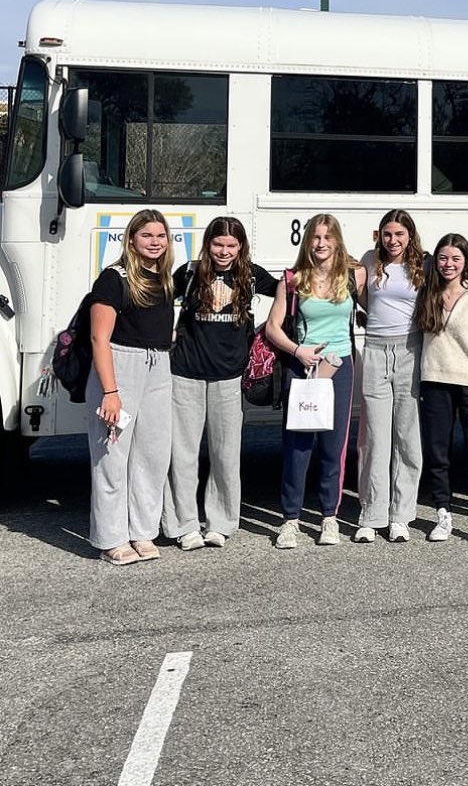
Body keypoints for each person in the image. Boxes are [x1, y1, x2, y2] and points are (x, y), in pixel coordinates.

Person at [163, 217, 278, 550]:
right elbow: (157, 302)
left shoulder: (252, 275)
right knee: (182, 454)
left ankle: (221, 523)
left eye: (231, 245)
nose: (224, 251)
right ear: (208, 244)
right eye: (218, 244)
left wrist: (270, 332)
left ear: (241, 247)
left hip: (230, 376)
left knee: (226, 455)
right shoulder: (189, 272)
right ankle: (183, 525)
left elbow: (289, 290)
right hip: (185, 373)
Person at [266, 214, 365, 548]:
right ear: (307, 241)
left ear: (337, 241)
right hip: (303, 366)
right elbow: (273, 328)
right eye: (315, 237)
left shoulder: (353, 277)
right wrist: (299, 351)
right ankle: (290, 520)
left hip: (339, 366)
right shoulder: (293, 280)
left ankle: (329, 517)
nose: (321, 243)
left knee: (334, 446)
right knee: (298, 446)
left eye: (327, 237)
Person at [87, 209, 175, 565]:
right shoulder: (114, 278)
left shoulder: (164, 278)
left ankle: (142, 531)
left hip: (159, 365)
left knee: (152, 455)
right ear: (132, 239)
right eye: (147, 235)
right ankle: (111, 538)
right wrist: (110, 392)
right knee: (112, 456)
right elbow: (99, 338)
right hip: (121, 366)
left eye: (160, 236)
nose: (155, 242)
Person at [415, 233, 468, 549]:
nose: (448, 264)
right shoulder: (428, 292)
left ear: (466, 261)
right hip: (435, 383)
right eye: (443, 258)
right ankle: (443, 514)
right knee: (438, 454)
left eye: (455, 258)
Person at [355, 209, 427, 543]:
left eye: (399, 234)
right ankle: (372, 514)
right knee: (375, 437)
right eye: (387, 234)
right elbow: (361, 296)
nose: (393, 240)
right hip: (375, 349)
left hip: (410, 349)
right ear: (379, 235)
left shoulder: (423, 264)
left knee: (407, 436)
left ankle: (401, 515)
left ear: (410, 235)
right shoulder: (370, 260)